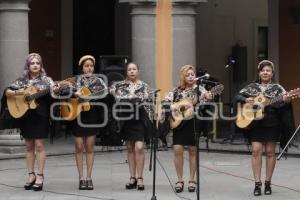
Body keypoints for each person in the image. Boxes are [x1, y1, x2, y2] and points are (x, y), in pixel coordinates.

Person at [236, 60, 294, 196]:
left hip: (272, 123)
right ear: (259, 73)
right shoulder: (252, 87)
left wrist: (287, 100)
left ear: (272, 73)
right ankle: (257, 183)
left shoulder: (278, 88)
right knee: (256, 151)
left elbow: (283, 105)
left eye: (268, 70)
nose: (265, 72)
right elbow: (238, 96)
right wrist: (246, 100)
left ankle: (268, 182)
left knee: (270, 152)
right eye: (263, 70)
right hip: (256, 124)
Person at [5, 53, 56, 191]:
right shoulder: (21, 80)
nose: (35, 65)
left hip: (41, 116)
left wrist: (57, 89)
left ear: (41, 66)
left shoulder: (47, 81)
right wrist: (19, 93)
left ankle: (40, 175)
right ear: (28, 66)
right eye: (32, 63)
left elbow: (55, 94)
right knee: (28, 146)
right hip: (26, 116)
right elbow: (7, 92)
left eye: (37, 63)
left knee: (39, 145)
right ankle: (30, 175)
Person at [161, 64, 212, 193]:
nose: (190, 76)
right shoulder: (176, 90)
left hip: (194, 122)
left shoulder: (200, 89)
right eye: (187, 75)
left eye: (192, 74)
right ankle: (179, 179)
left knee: (192, 150)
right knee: (178, 149)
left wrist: (208, 98)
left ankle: (192, 180)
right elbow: (164, 103)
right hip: (179, 124)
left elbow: (205, 106)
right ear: (183, 77)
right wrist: (172, 107)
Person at [109, 62, 151, 190]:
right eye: (129, 70)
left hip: (139, 117)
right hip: (126, 117)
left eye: (134, 69)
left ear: (138, 71)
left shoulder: (144, 85)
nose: (132, 71)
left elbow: (146, 99)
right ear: (126, 72)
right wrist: (112, 90)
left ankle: (140, 177)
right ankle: (132, 177)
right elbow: (116, 96)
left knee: (139, 147)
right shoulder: (120, 85)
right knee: (130, 147)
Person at [69, 55, 107, 190]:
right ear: (82, 68)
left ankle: (89, 177)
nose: (89, 68)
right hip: (77, 115)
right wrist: (74, 92)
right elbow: (62, 89)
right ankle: (81, 178)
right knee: (79, 146)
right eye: (86, 66)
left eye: (91, 65)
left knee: (90, 147)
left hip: (92, 116)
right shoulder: (75, 80)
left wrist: (88, 95)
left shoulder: (99, 81)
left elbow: (104, 93)